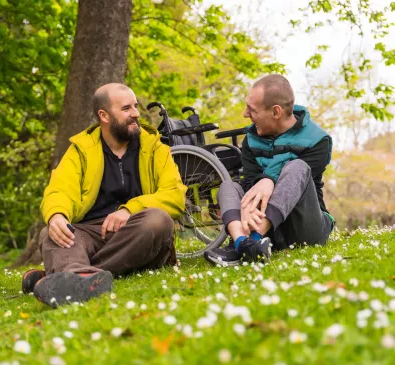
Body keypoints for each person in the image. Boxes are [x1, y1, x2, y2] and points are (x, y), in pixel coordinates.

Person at [22, 83, 187, 307]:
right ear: (104, 115)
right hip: (91, 232)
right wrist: (57, 215)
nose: (136, 114)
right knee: (52, 232)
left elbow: (175, 195)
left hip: (136, 231)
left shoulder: (155, 147)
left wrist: (130, 210)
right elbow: (60, 188)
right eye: (127, 108)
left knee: (158, 220)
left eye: (135, 106)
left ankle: (72, 274)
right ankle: (79, 278)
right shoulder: (81, 149)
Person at [204, 74, 334, 266]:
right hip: (270, 229)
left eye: (252, 109)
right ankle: (242, 242)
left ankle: (252, 242)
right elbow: (250, 183)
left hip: (305, 229)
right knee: (228, 186)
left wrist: (268, 180)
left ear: (275, 112)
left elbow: (292, 179)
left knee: (297, 167)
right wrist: (260, 183)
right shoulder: (250, 139)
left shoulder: (318, 140)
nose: (245, 114)